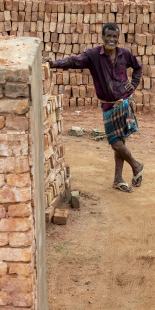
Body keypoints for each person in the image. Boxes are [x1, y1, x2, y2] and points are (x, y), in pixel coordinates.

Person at [43, 23, 144, 193]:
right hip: (108, 105)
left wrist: (133, 84)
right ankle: (136, 165)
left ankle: (120, 177)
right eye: (108, 36)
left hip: (124, 103)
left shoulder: (124, 54)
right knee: (115, 142)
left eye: (114, 36)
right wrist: (54, 63)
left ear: (118, 38)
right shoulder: (94, 55)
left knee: (119, 141)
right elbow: (74, 61)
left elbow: (138, 67)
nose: (111, 40)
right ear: (102, 37)